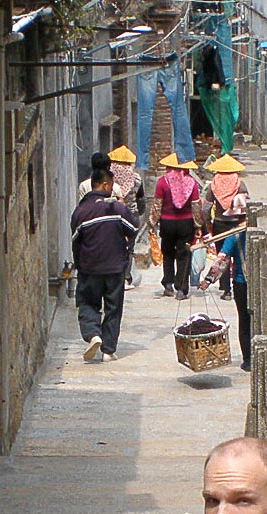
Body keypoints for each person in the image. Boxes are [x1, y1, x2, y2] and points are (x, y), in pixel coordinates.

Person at [70, 166, 139, 363]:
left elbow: (75, 242)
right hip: (115, 266)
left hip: (89, 267)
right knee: (113, 307)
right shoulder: (117, 209)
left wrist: (78, 264)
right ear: (105, 184)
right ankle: (109, 350)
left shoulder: (80, 212)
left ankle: (93, 334)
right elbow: (133, 229)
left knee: (87, 303)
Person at [149, 153, 204, 300]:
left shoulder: (162, 182)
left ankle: (168, 284)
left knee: (167, 253)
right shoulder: (191, 183)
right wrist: (198, 226)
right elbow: (196, 207)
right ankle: (181, 289)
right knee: (184, 255)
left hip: (167, 223)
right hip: (186, 224)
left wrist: (152, 223)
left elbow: (157, 205)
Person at [199, 230, 251, 371]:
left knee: (245, 321)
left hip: (243, 284)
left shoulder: (234, 236)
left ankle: (248, 359)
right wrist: (209, 280)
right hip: (255, 284)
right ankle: (252, 357)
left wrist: (208, 280)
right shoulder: (239, 234)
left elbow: (222, 260)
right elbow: (222, 260)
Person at [201, 154, 250, 301]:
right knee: (239, 255)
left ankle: (226, 290)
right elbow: (246, 207)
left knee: (223, 256)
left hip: (219, 224)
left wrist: (207, 223)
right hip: (237, 225)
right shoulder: (240, 185)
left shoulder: (213, 185)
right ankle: (240, 281)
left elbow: (206, 208)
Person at [108, 145, 146, 290]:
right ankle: (125, 277)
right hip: (130, 217)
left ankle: (111, 275)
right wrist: (138, 213)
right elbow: (141, 200)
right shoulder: (136, 179)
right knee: (128, 249)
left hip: (111, 216)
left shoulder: (108, 179)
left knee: (112, 246)